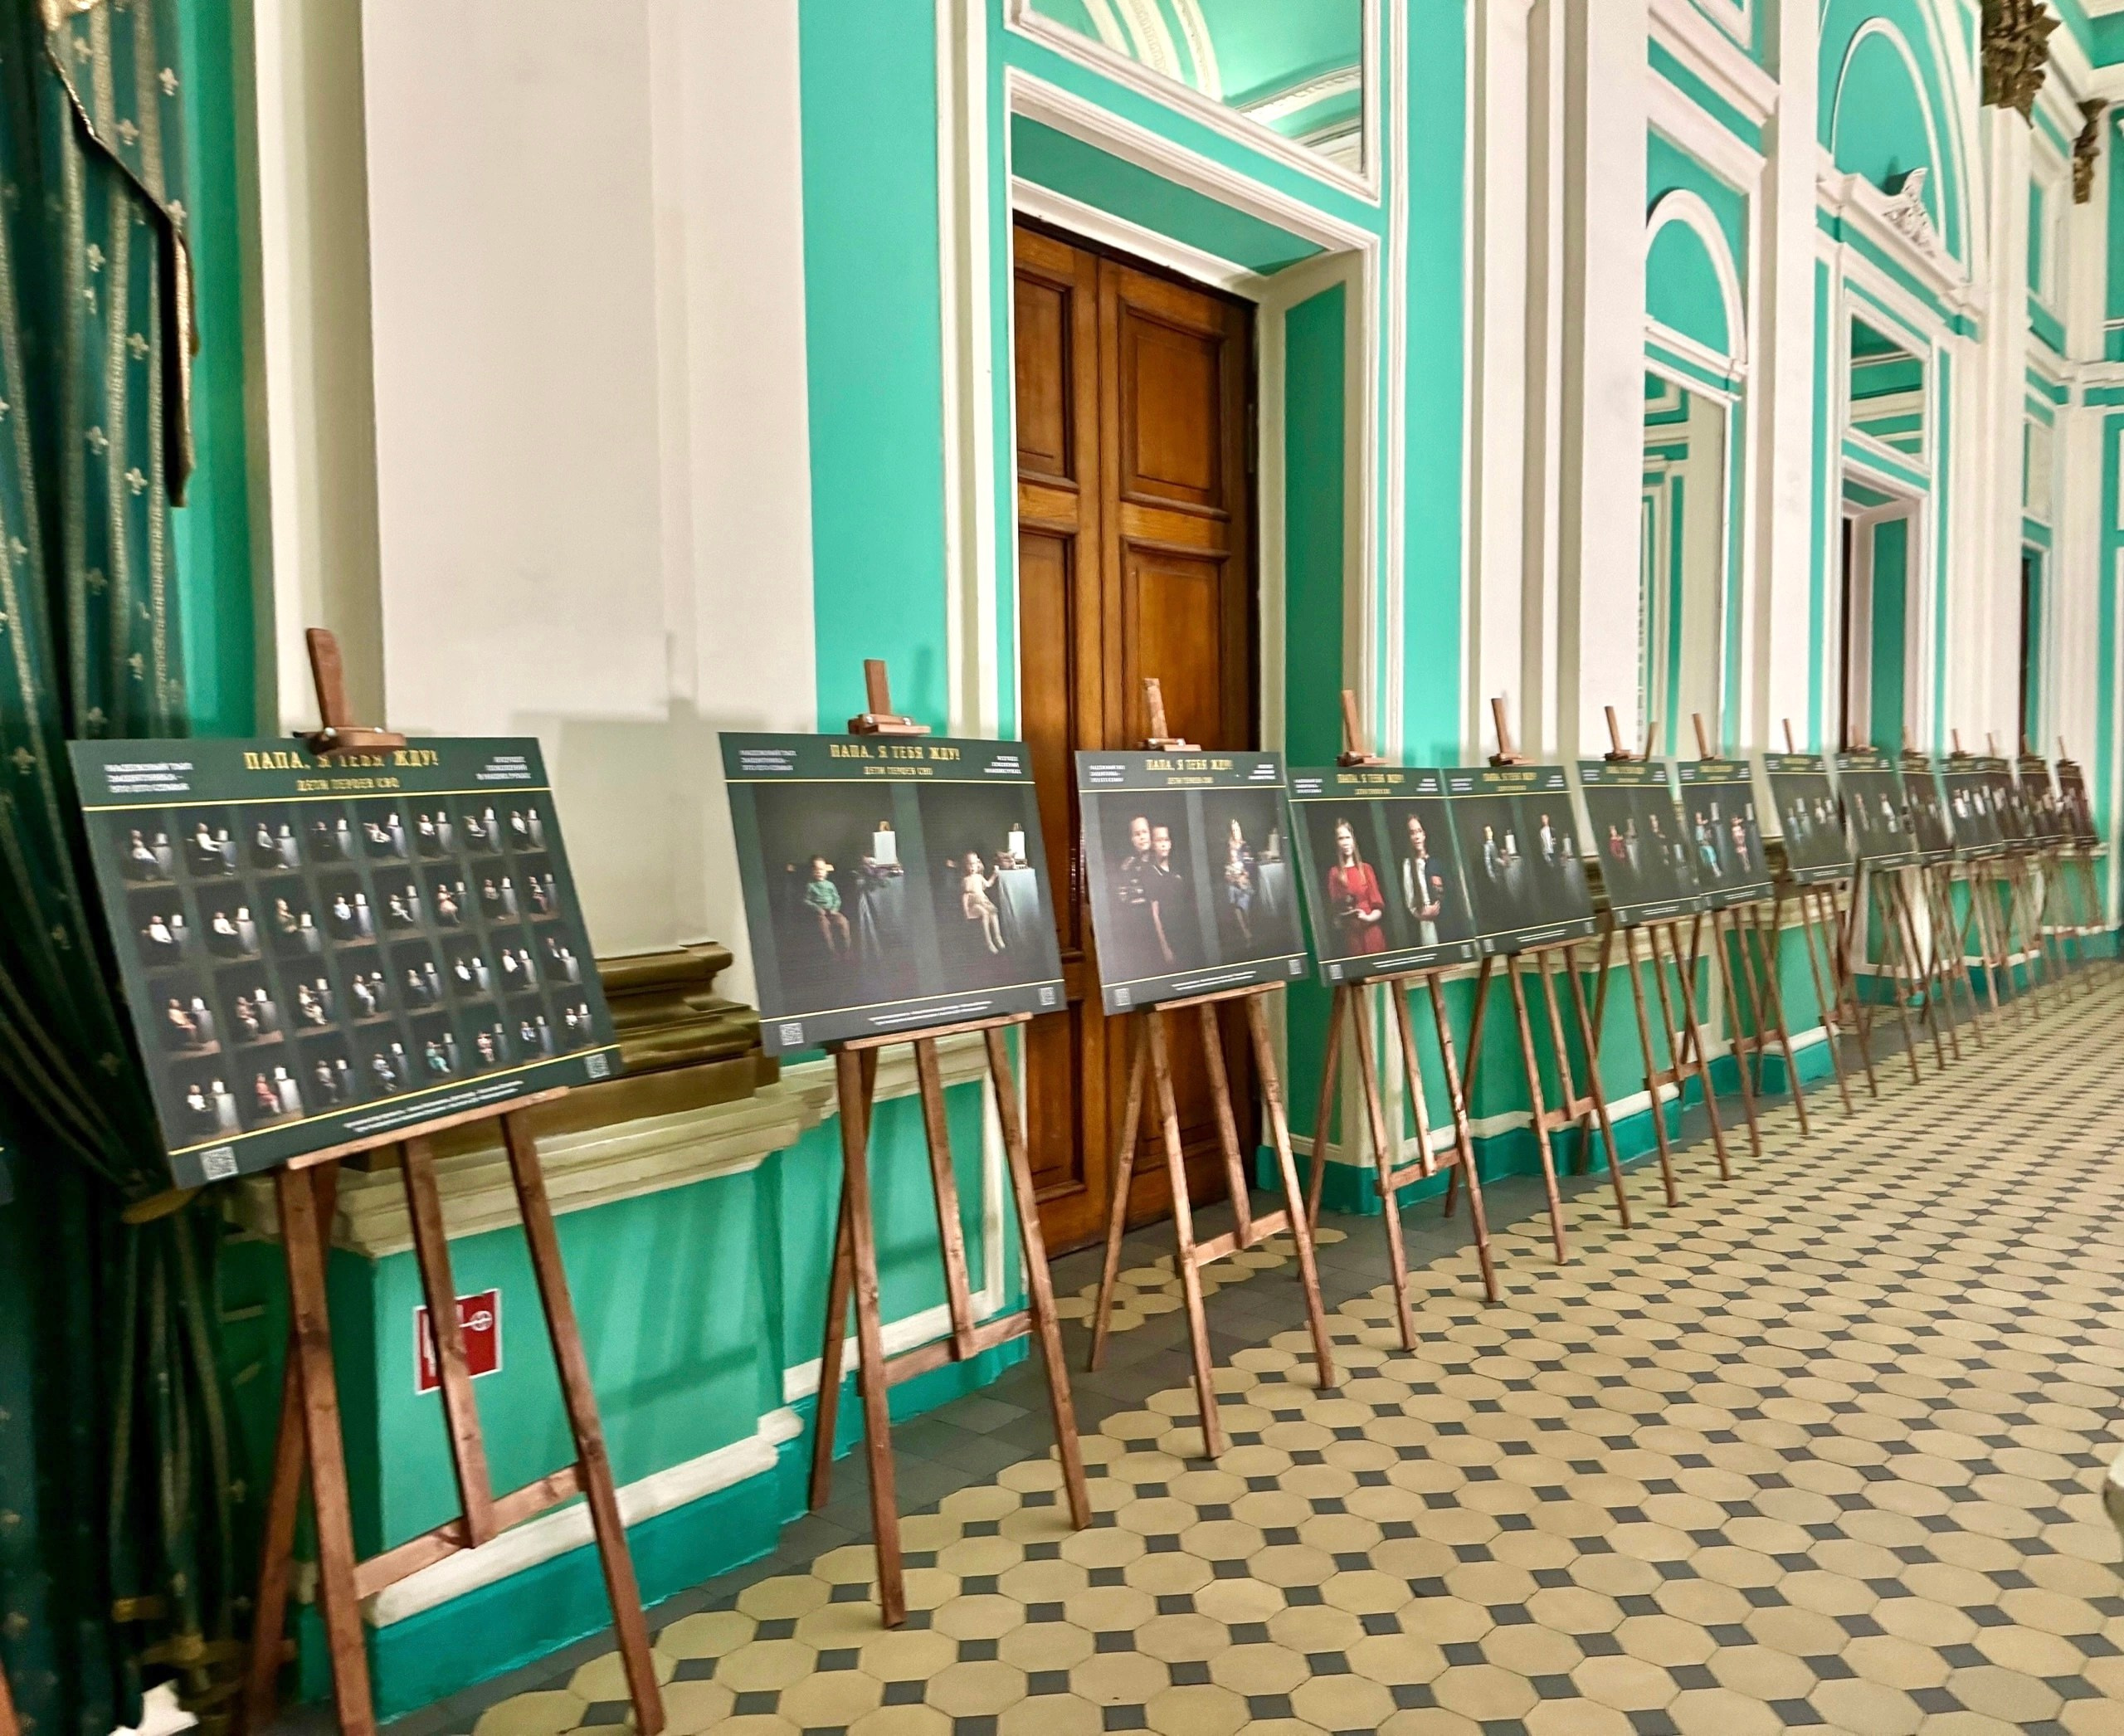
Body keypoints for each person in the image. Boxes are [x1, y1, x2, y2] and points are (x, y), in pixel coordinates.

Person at [1326, 819, 1386, 955]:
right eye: (1341, 838)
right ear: (1337, 842)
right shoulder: (1334, 873)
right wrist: (1348, 915)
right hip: (1352, 937)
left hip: (1372, 934)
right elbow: (1336, 912)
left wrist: (1368, 918)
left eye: (1348, 837)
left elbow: (1378, 907)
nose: (1345, 842)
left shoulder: (1366, 869)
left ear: (1353, 840)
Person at [1400, 812, 1446, 946]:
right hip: (1425, 925)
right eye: (1412, 833)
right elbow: (1410, 903)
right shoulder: (1408, 865)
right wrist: (1423, 915)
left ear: (1424, 834)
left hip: (1445, 923)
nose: (1416, 836)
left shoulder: (1436, 862)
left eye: (1419, 831)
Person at [804, 856, 852, 956]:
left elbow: (837, 899)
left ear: (826, 871)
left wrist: (835, 909)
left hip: (833, 912)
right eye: (816, 870)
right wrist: (817, 909)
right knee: (824, 929)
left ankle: (847, 950)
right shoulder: (810, 886)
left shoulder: (830, 885)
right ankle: (832, 952)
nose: (819, 872)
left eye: (821, 869)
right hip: (821, 914)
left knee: (844, 923)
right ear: (812, 871)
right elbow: (806, 900)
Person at [960, 852, 1005, 953]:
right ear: (966, 865)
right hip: (973, 904)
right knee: (985, 913)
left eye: (974, 864)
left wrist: (995, 874)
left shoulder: (979, 877)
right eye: (969, 864)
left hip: (983, 901)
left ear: (978, 864)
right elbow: (965, 896)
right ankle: (988, 941)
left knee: (993, 912)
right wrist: (966, 911)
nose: (972, 867)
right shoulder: (966, 880)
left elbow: (988, 884)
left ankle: (997, 937)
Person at [1222, 818, 1257, 945]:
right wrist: (1231, 877)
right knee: (1234, 903)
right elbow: (1225, 866)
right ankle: (1245, 933)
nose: (1235, 831)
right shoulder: (1228, 846)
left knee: (1244, 904)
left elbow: (1250, 865)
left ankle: (1250, 929)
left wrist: (1243, 876)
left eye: (1237, 829)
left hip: (1244, 880)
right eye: (1233, 830)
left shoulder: (1245, 846)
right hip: (1232, 880)